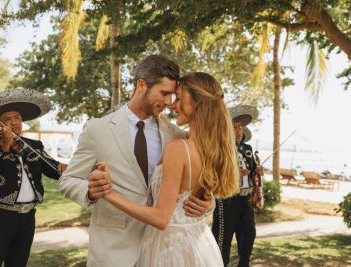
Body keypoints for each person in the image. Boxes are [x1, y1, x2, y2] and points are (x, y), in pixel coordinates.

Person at [59, 55, 214, 267]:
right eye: (164, 93)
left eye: (173, 95)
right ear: (141, 85)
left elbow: (192, 182)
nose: (169, 102)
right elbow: (68, 180)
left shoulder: (176, 135)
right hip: (113, 253)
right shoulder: (97, 129)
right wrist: (90, 191)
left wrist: (208, 203)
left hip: (161, 251)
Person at [101, 72, 239, 266]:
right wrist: (208, 205)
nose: (172, 104)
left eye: (179, 98)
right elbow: (197, 196)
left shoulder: (178, 148)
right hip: (200, 246)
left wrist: (108, 193)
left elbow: (160, 218)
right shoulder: (214, 149)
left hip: (168, 249)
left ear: (197, 100)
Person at [0, 89, 67, 267]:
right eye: (7, 119)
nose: (14, 122)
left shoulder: (33, 145)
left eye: (17, 117)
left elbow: (54, 169)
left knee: (18, 263)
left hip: (27, 217)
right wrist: (4, 144)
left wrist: (70, 168)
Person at [212, 104, 262, 267]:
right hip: (226, 199)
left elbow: (252, 172)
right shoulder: (220, 149)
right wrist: (234, 174)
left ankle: (244, 264)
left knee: (249, 233)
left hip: (245, 199)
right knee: (223, 239)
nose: (238, 131)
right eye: (234, 128)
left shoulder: (247, 149)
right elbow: (213, 173)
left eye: (240, 128)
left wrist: (258, 171)